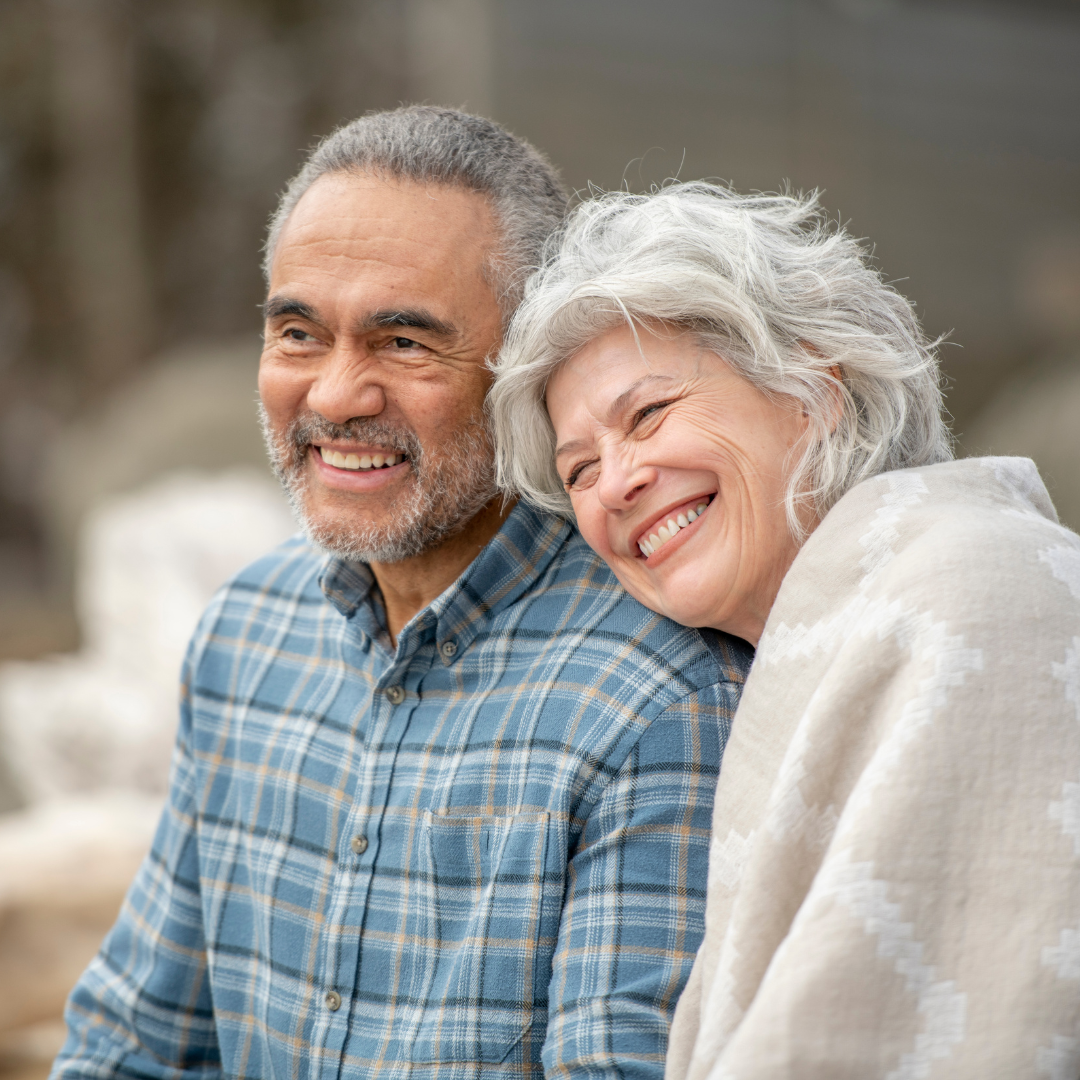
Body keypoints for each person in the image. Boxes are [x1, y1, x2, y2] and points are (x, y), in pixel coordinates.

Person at [52, 113, 750, 1080]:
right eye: (298, 332)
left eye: (404, 342)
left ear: (531, 368)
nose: (336, 396)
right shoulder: (246, 632)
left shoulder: (659, 696)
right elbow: (135, 1043)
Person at [490, 181, 1080, 1075]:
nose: (612, 485)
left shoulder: (975, 592)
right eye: (578, 471)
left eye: (647, 415)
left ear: (814, 387)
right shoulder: (796, 642)